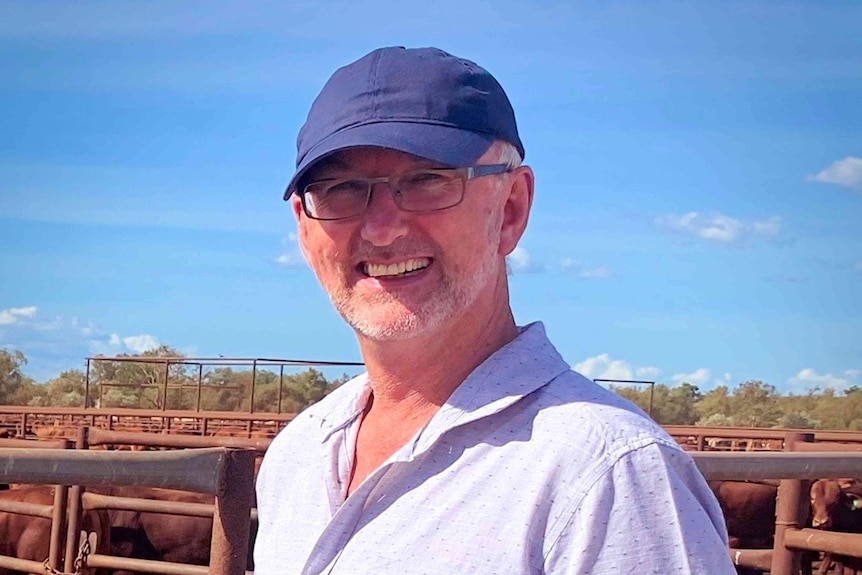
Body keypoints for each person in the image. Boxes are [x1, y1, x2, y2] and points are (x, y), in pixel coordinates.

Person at [254, 46, 735, 575]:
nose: (382, 228)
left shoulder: (608, 478)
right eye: (342, 189)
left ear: (510, 209)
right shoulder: (297, 455)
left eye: (429, 180)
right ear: (304, 228)